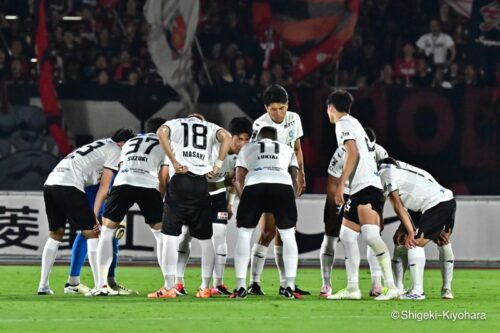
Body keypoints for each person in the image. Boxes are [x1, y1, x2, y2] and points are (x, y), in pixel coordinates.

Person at [325, 90, 412, 301]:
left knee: (371, 237)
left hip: (365, 187)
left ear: (330, 108)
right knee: (346, 236)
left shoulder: (342, 123)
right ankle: (353, 288)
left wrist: (340, 184)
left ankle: (391, 286)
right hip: (363, 187)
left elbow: (352, 152)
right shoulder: (354, 122)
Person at [38, 128, 135, 295]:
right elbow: (104, 187)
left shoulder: (101, 144)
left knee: (56, 234)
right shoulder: (115, 150)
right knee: (92, 233)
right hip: (69, 184)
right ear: (123, 143)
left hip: (51, 182)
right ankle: (101, 286)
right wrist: (94, 216)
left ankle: (43, 286)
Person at [149, 114, 231, 299]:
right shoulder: (210, 125)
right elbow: (227, 136)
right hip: (201, 184)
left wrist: (175, 161)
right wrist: (217, 165)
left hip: (180, 181)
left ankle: (170, 286)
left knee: (170, 236)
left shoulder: (175, 123)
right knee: (205, 238)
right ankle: (205, 287)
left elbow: (161, 132)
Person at [174, 117, 253, 296]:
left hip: (217, 198)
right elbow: (202, 182)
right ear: (229, 136)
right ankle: (178, 282)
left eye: (246, 139)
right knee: (186, 236)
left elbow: (232, 182)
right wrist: (224, 183)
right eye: (239, 138)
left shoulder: (239, 157)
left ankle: (218, 283)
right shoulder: (213, 150)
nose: (242, 143)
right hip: (195, 197)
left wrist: (230, 203)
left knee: (220, 238)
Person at [90, 118, 168, 296]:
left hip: (123, 181)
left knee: (107, 233)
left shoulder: (130, 142)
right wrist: (161, 199)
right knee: (161, 236)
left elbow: (122, 165)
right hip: (148, 184)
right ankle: (168, 284)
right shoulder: (164, 144)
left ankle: (101, 285)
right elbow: (163, 178)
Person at [248, 84, 308, 296]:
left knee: (284, 231)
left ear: (287, 105)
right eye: (273, 109)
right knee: (267, 231)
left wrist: (300, 174)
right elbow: (254, 154)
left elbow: (297, 148)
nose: (278, 113)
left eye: (282, 108)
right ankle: (254, 282)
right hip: (267, 180)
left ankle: (286, 283)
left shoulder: (294, 119)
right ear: (266, 108)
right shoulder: (259, 125)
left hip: (286, 179)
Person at [231, 126, 301, 299]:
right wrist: (289, 201)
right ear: (276, 138)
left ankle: (240, 286)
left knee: (244, 234)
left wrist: (244, 202)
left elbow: (238, 178)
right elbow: (294, 178)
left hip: (255, 184)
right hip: (282, 186)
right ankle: (289, 286)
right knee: (288, 235)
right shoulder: (286, 148)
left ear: (258, 137)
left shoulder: (248, 147)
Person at [320, 127, 388, 298]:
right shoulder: (342, 151)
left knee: (372, 237)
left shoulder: (380, 152)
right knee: (331, 237)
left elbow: (385, 181)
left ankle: (377, 283)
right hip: (344, 195)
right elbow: (332, 180)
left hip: (367, 194)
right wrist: (332, 207)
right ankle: (326, 283)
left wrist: (380, 209)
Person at [379, 157, 456, 300]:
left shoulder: (384, 172)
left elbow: (397, 205)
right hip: (423, 205)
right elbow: (412, 196)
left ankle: (421, 291)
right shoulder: (400, 168)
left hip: (439, 203)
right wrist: (405, 228)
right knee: (400, 239)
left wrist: (410, 231)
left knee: (417, 241)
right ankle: (398, 288)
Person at [64, 170, 136, 295]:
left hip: (99, 189)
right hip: (93, 190)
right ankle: (89, 284)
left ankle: (108, 282)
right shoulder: (111, 153)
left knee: (107, 234)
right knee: (90, 231)